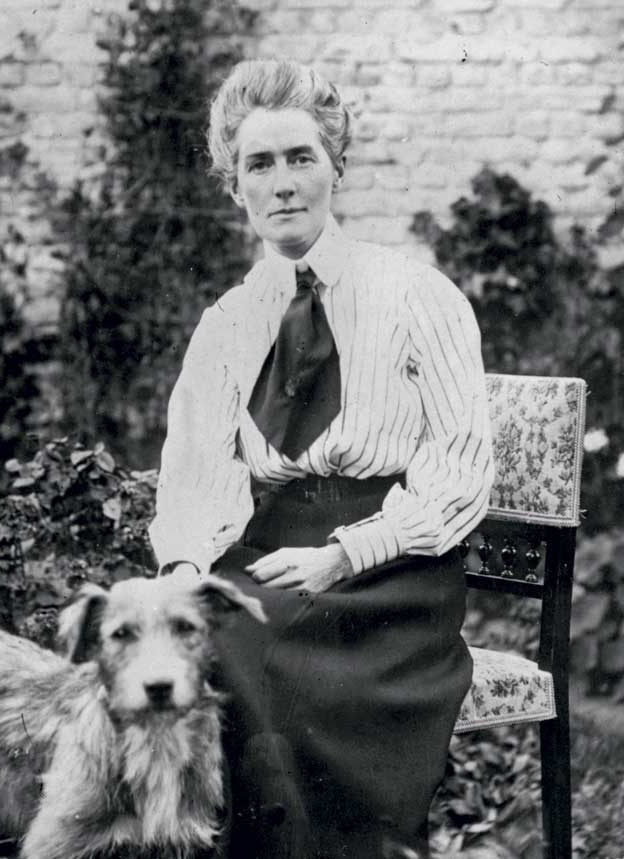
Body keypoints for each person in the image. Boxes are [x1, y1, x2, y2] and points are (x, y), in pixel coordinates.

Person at [148, 58, 495, 858]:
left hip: (390, 572)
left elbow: (462, 466)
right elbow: (198, 471)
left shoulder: (417, 295)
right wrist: (179, 572)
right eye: (258, 165)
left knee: (254, 661)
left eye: (301, 157)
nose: (283, 184)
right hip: (269, 552)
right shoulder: (229, 322)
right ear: (234, 187)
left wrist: (346, 554)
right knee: (206, 644)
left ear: (336, 166)